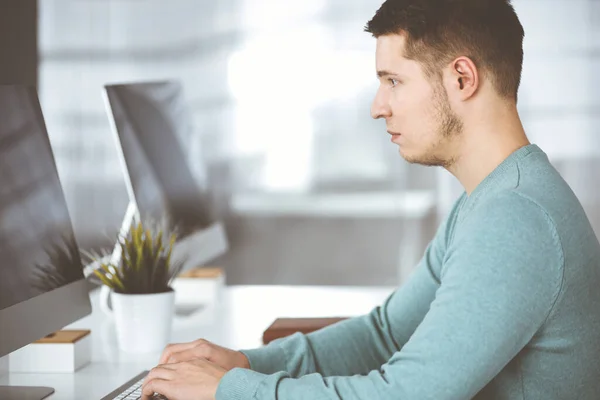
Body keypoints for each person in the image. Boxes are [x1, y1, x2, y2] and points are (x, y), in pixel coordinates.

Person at [142, 0, 600, 399]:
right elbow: (386, 335)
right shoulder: (489, 202)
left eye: (393, 81)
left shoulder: (516, 220)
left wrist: (229, 392)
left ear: (462, 78)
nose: (377, 106)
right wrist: (243, 364)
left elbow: (404, 395)